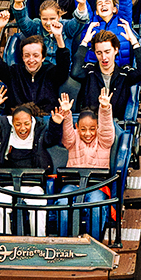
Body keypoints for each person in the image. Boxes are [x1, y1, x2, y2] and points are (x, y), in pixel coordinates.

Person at [0, 90, 53, 234]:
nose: (22, 128)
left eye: (26, 123)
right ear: (12, 123)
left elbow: (52, 138)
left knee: (38, 204)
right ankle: (4, 240)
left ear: (31, 121)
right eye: (18, 124)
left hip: (33, 184)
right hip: (7, 183)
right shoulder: (4, 130)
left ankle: (38, 241)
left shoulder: (39, 129)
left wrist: (56, 123)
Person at [51, 91, 116, 236]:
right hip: (72, 184)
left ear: (97, 127)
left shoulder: (103, 140)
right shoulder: (72, 139)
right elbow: (67, 134)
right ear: (77, 127)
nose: (88, 133)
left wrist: (105, 109)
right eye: (83, 129)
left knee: (95, 205)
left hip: (96, 185)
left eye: (92, 129)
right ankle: (64, 240)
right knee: (62, 202)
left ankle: (93, 241)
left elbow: (106, 129)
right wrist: (67, 114)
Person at [0, 12, 71, 113]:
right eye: (27, 55)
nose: (31, 60)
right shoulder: (13, 73)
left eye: (36, 55)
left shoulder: (51, 73)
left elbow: (64, 64)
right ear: (22, 57)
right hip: (18, 121)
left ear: (43, 57)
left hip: (43, 121)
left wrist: (58, 37)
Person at [72, 26, 141, 118]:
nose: (104, 57)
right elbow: (75, 72)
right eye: (99, 53)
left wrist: (134, 42)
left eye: (107, 52)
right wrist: (84, 42)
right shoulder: (90, 71)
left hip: (115, 126)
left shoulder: (124, 73)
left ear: (116, 50)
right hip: (90, 125)